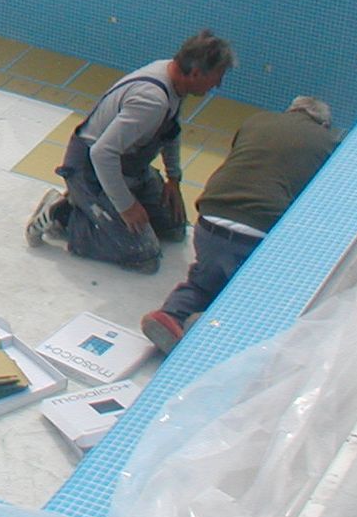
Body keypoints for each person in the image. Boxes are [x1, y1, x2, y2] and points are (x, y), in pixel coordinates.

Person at [24, 30, 235, 273]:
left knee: (174, 229)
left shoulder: (173, 76)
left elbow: (170, 130)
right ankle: (63, 216)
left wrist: (173, 179)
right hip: (90, 172)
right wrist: (126, 206)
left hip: (129, 168)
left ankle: (95, 207)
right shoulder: (152, 101)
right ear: (196, 73)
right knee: (143, 254)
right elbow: (102, 154)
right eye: (216, 78)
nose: (217, 85)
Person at [140, 95, 337, 354]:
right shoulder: (328, 142)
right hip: (256, 234)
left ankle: (171, 315)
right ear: (322, 124)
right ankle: (217, 327)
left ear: (291, 110)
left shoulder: (257, 121)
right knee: (252, 292)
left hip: (210, 219)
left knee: (203, 280)